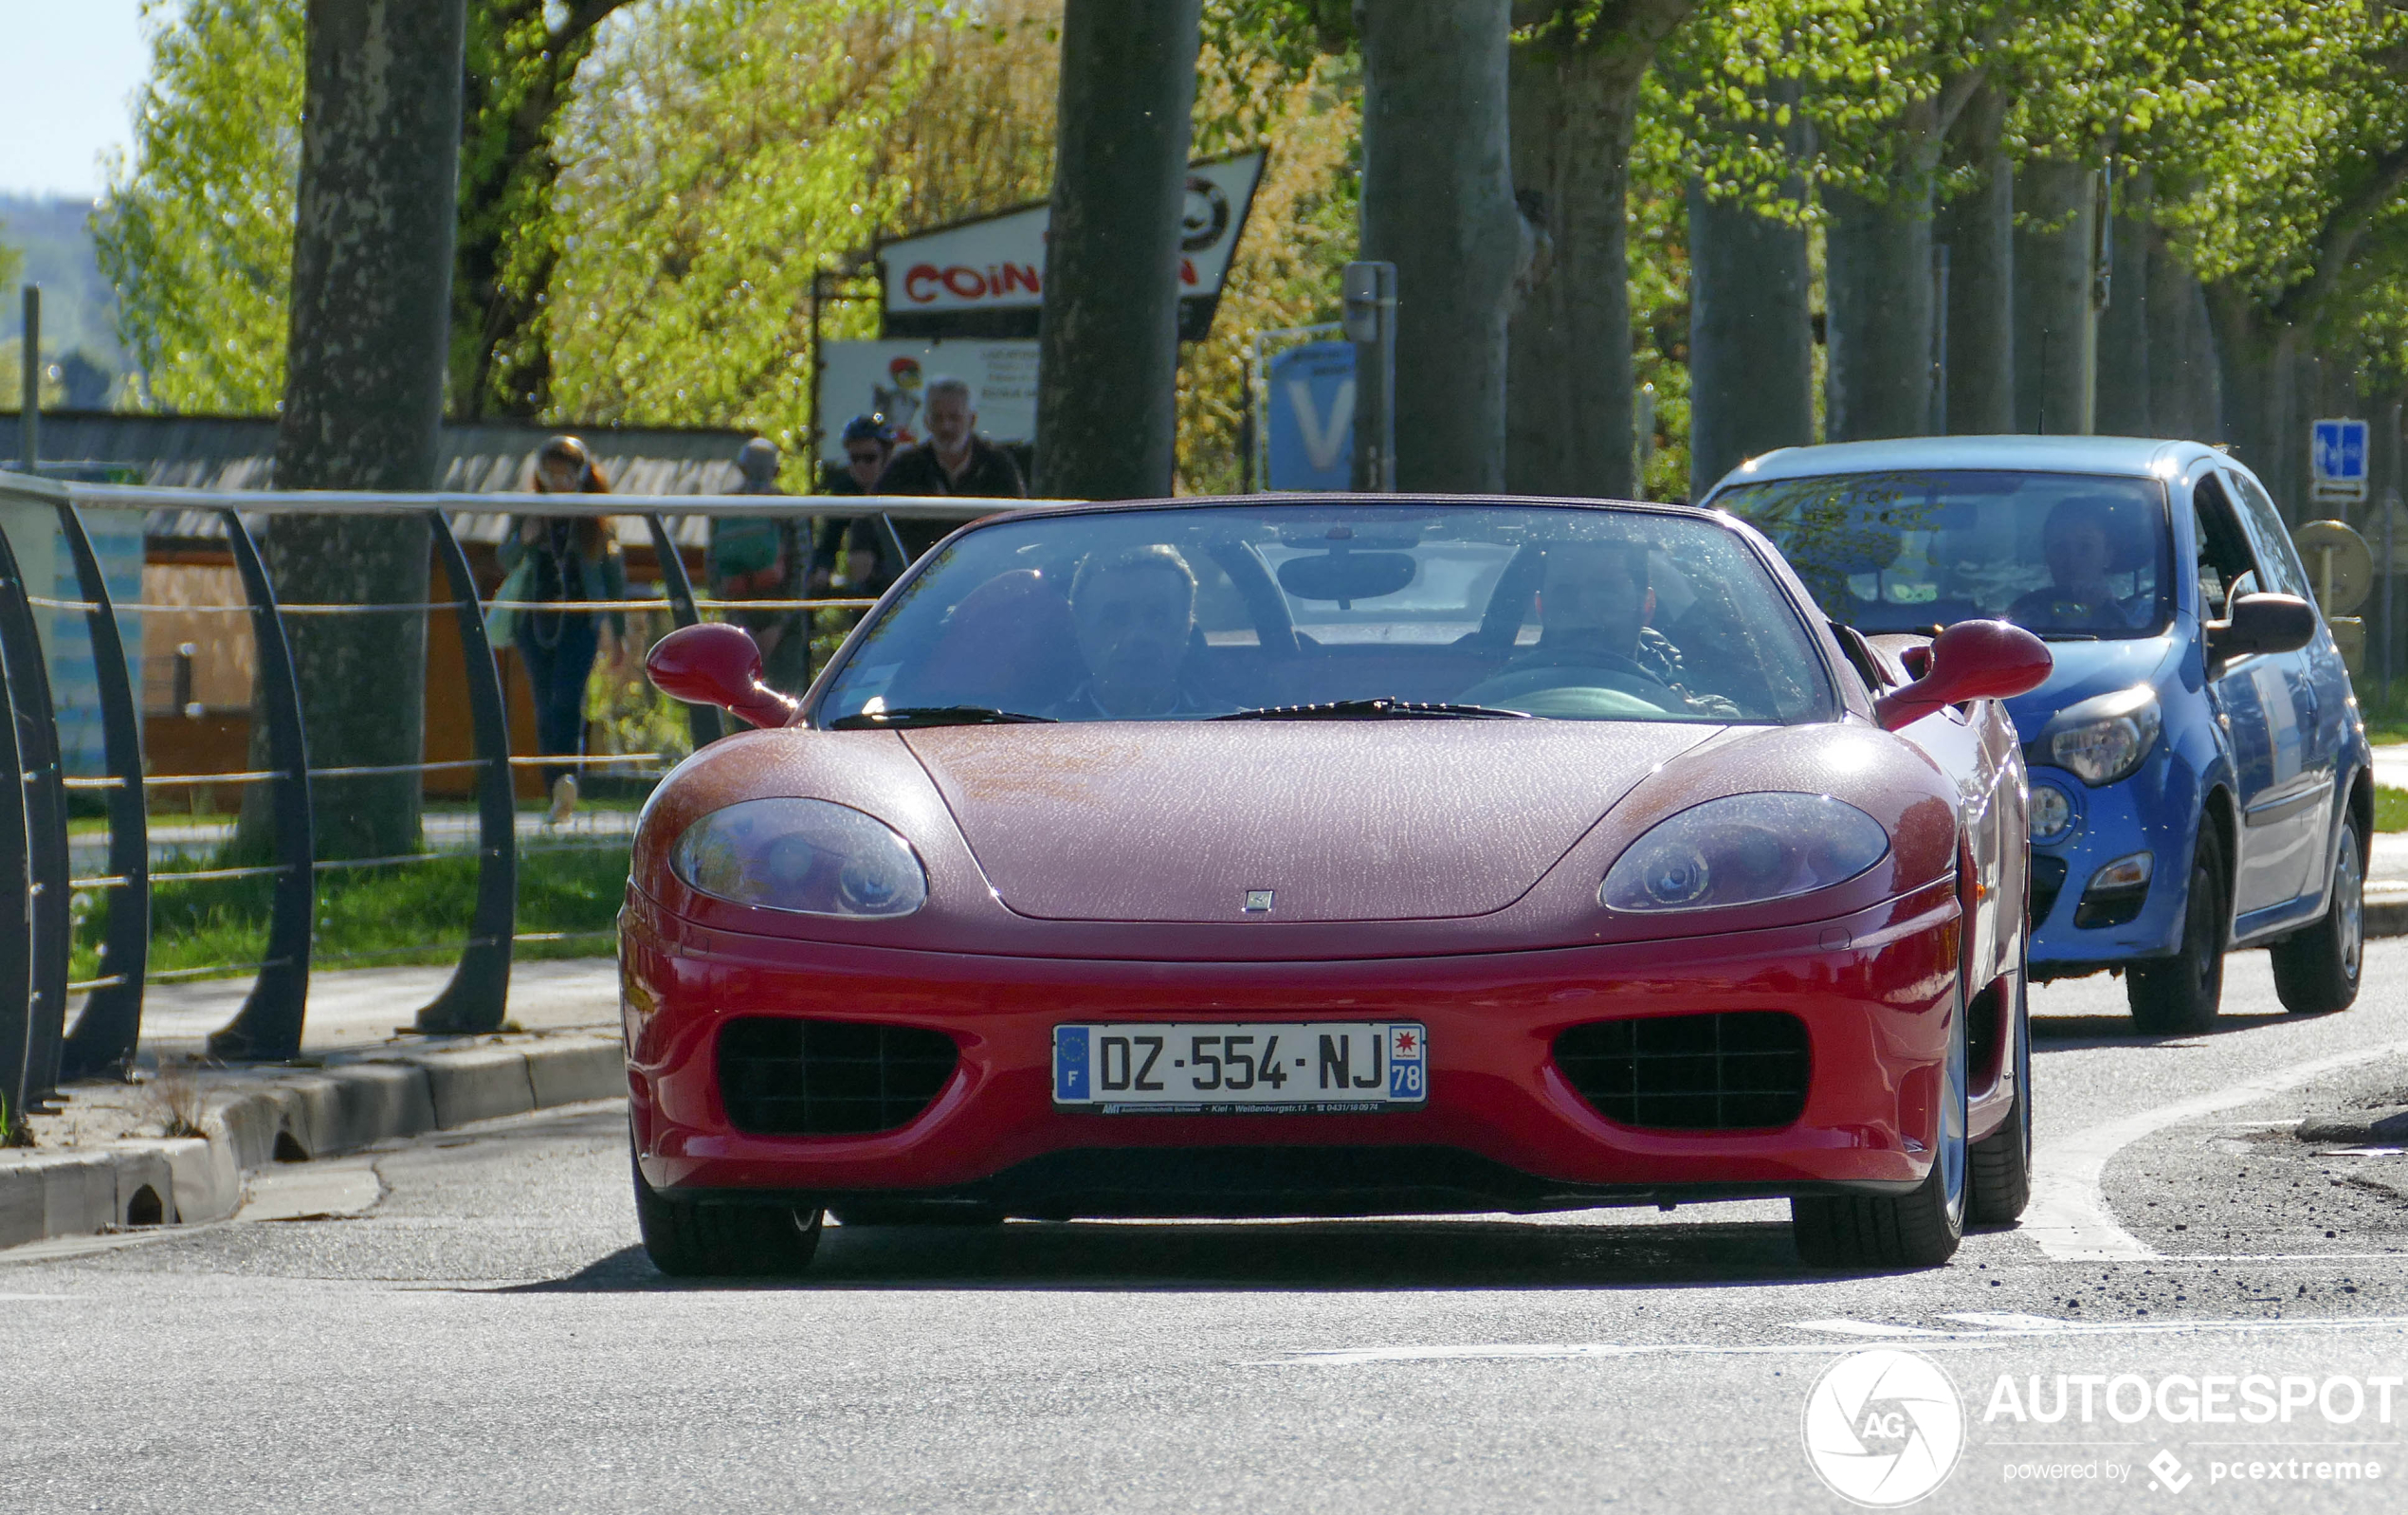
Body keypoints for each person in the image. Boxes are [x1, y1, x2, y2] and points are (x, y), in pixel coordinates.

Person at [496, 435, 625, 824]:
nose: (558, 482)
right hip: (534, 623)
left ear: (580, 475)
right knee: (544, 706)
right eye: (550, 474)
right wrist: (525, 537)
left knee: (568, 701)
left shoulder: (595, 518)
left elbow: (612, 576)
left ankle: (567, 779)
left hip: (579, 624)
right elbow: (505, 559)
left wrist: (616, 633)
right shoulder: (528, 510)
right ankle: (556, 787)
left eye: (565, 474)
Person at [874, 375, 1027, 561]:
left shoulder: (997, 465)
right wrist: (862, 550)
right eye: (938, 418)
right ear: (926, 422)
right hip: (918, 574)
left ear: (972, 420)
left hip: (984, 570)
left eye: (954, 418)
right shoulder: (905, 465)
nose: (946, 427)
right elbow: (873, 514)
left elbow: (1020, 523)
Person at [706, 437, 812, 695]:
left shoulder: (724, 507)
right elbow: (801, 567)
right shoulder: (789, 506)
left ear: (741, 469)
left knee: (740, 699)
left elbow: (714, 567)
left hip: (740, 614)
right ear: (776, 471)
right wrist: (778, 625)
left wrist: (738, 625)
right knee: (786, 701)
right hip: (783, 620)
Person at [1059, 545, 1213, 718]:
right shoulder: (1035, 734)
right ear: (1080, 631)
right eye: (1114, 619)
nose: (1138, 636)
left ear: (1188, 628)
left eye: (1157, 618)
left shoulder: (1237, 730)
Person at [2008, 496, 2150, 631]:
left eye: (2085, 547)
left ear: (2108, 555)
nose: (2072, 559)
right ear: (2048, 557)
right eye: (2060, 547)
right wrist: (2079, 612)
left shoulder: (2142, 618)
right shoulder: (2027, 612)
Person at [809, 414, 904, 598]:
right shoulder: (845, 489)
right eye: (854, 458)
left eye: (869, 458)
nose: (861, 466)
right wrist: (821, 571)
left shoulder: (903, 486)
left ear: (887, 456)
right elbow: (830, 539)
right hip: (866, 584)